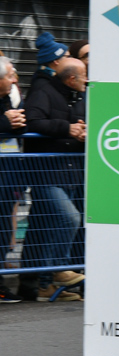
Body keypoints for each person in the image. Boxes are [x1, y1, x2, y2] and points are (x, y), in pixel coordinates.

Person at [22, 58, 88, 301]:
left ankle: (45, 285)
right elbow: (33, 122)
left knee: (50, 227)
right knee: (70, 217)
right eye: (84, 74)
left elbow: (80, 125)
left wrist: (83, 131)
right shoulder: (43, 92)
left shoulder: (80, 97)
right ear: (71, 79)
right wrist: (67, 129)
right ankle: (60, 269)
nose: (88, 79)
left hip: (72, 173)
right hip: (47, 173)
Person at [0, 57, 25, 303]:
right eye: (10, 76)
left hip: (7, 176)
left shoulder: (10, 97)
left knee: (4, 228)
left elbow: (22, 123)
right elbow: (7, 123)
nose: (15, 80)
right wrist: (5, 122)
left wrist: (15, 123)